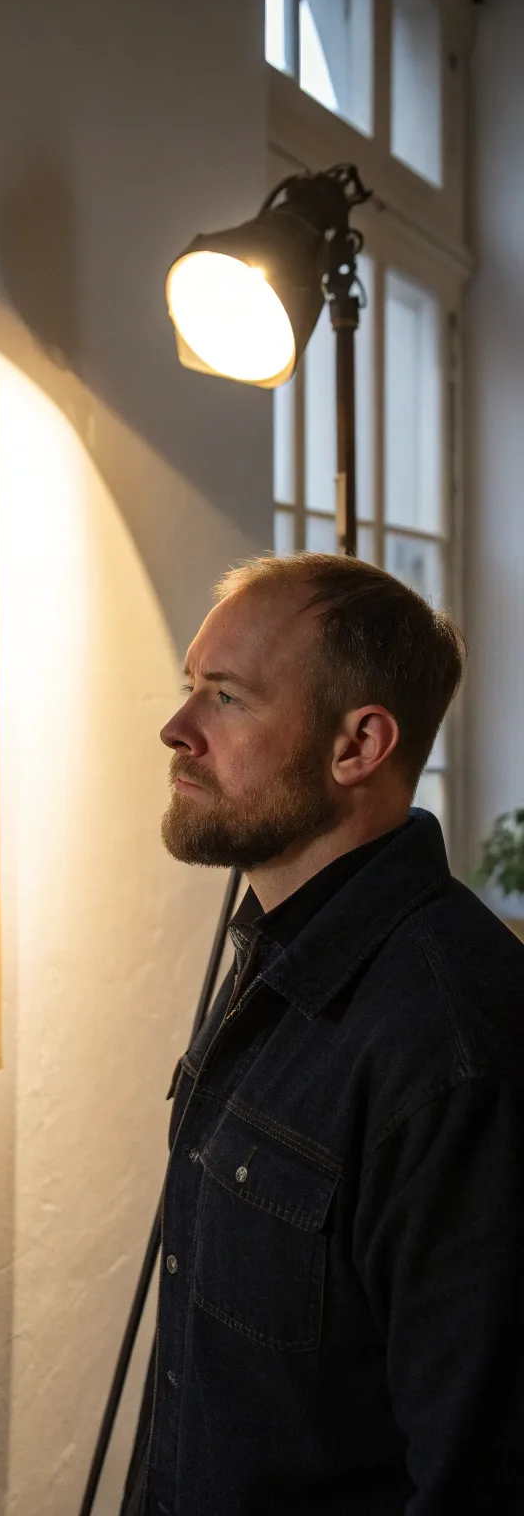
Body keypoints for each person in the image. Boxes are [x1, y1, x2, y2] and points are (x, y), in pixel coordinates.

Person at [123, 552, 524, 1515]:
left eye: (226, 698)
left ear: (358, 746)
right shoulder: (275, 950)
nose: (176, 730)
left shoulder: (457, 1047)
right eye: (192, 688)